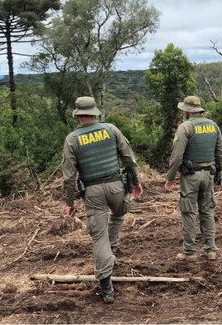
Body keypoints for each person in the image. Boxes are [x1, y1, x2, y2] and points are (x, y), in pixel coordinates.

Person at [62, 96, 144, 304]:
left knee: (99, 238)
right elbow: (128, 159)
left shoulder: (72, 139)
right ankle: (112, 246)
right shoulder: (111, 129)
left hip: (92, 192)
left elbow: (69, 177)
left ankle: (107, 288)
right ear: (95, 113)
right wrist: (136, 182)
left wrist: (69, 203)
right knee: (119, 213)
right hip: (116, 187)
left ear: (78, 116)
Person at [164, 95, 222, 261]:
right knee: (207, 211)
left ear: (187, 111)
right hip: (208, 174)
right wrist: (218, 172)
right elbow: (220, 152)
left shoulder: (185, 127)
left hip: (191, 176)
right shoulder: (213, 126)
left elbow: (177, 156)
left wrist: (170, 178)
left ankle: (189, 252)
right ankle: (210, 250)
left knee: (188, 212)